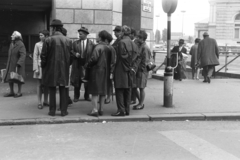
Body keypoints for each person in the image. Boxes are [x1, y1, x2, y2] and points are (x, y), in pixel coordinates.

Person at [41, 19, 72, 116]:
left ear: (54, 28)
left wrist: (44, 66)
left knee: (52, 89)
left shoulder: (48, 39)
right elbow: (71, 56)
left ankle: (52, 111)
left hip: (51, 68)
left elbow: (43, 56)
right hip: (64, 68)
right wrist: (67, 64)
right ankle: (63, 111)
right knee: (63, 88)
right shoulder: (68, 40)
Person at [85, 30, 114, 117]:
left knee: (94, 91)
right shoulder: (111, 48)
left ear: (101, 38)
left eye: (98, 36)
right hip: (107, 72)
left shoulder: (98, 47)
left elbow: (94, 59)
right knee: (103, 91)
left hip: (97, 71)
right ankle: (101, 109)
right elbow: (113, 61)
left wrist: (87, 65)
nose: (97, 37)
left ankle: (94, 110)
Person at [112, 25, 139, 116]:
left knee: (119, 90)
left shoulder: (121, 42)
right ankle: (127, 110)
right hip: (130, 70)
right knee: (128, 90)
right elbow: (137, 58)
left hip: (121, 69)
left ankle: (121, 110)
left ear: (123, 32)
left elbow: (121, 57)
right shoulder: (134, 44)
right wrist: (133, 68)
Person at [70, 27, 94, 102]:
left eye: (81, 34)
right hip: (77, 64)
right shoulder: (75, 43)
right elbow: (71, 51)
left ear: (86, 34)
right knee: (77, 81)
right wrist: (75, 54)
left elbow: (93, 54)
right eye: (79, 34)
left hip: (87, 65)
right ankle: (76, 96)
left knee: (87, 81)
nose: (79, 35)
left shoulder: (91, 44)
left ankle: (87, 96)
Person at [3, 31, 26, 98]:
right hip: (11, 63)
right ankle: (11, 92)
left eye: (13, 35)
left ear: (17, 37)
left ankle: (19, 92)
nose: (11, 36)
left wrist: (19, 63)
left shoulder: (21, 44)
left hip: (17, 64)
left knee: (18, 78)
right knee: (10, 77)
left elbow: (23, 55)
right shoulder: (12, 44)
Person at [132, 30, 151, 110]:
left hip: (142, 70)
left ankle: (141, 103)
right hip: (137, 70)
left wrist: (141, 70)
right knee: (134, 87)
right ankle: (140, 102)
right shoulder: (139, 45)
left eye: (139, 37)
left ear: (142, 38)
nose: (137, 38)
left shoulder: (145, 47)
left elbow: (145, 61)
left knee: (141, 87)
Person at [33, 30, 49, 109]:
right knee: (39, 85)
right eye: (39, 35)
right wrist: (36, 68)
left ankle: (46, 100)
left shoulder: (49, 43)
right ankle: (39, 102)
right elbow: (35, 57)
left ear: (46, 36)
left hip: (47, 66)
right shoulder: (37, 44)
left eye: (42, 35)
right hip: (39, 66)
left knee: (46, 84)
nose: (40, 37)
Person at [61, 27, 73, 106]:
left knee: (64, 85)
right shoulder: (68, 41)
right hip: (67, 65)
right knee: (65, 84)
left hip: (64, 65)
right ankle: (67, 99)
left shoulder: (64, 41)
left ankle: (65, 102)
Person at [104, 32, 116, 105]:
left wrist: (112, 71)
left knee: (109, 84)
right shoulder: (105, 47)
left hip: (109, 69)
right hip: (104, 68)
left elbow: (113, 60)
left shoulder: (111, 48)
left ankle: (108, 97)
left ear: (106, 40)